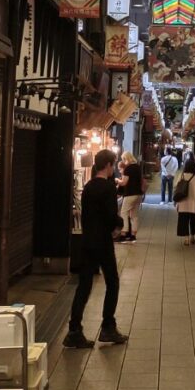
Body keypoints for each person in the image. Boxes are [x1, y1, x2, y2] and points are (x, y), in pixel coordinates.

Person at [65, 149, 130, 348]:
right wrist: (118, 224)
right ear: (109, 165)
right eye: (114, 164)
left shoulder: (89, 186)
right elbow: (110, 216)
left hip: (87, 241)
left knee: (84, 286)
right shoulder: (108, 187)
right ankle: (108, 327)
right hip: (103, 242)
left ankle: (74, 330)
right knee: (113, 282)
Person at [116, 152, 144, 244]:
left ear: (126, 158)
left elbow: (124, 183)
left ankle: (124, 234)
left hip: (130, 194)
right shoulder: (137, 167)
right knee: (134, 215)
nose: (124, 161)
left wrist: (117, 180)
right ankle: (133, 235)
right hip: (139, 194)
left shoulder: (128, 169)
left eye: (124, 159)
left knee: (123, 212)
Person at [174, 157, 195, 246]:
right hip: (193, 204)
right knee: (193, 220)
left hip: (183, 203)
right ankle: (192, 236)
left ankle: (186, 238)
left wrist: (175, 201)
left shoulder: (181, 176)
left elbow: (176, 187)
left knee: (184, 221)